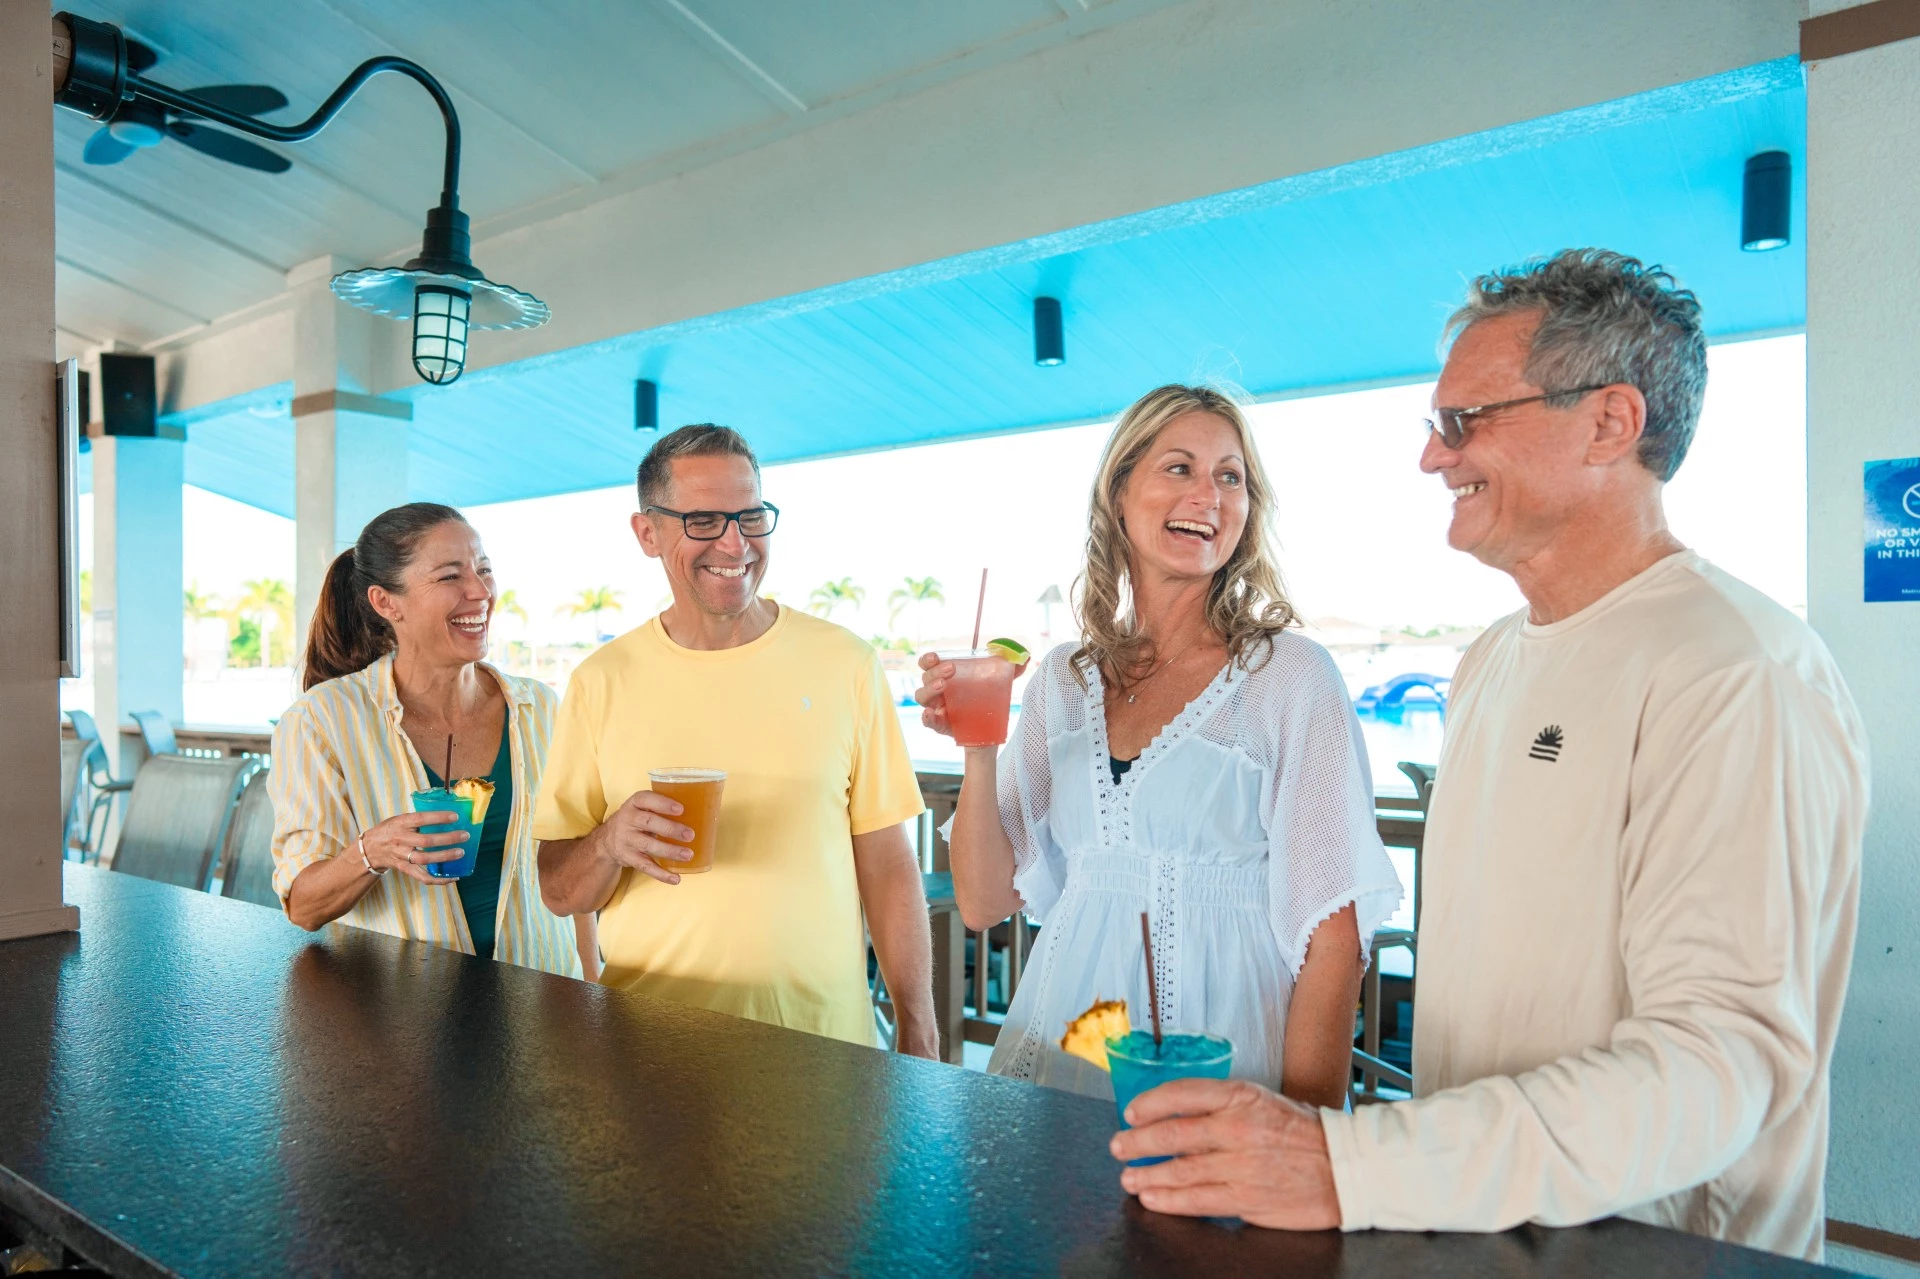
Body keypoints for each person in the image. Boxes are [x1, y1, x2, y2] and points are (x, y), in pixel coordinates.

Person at [1112, 251, 1868, 1263]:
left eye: (1465, 422)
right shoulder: (1491, 663)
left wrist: (1349, 1164)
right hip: (1479, 1231)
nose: (1434, 457)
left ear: (1609, 422)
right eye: (1434, 424)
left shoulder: (1734, 668)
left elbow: (1720, 1060)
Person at [916, 384, 1403, 1105]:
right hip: (1066, 1040)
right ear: (1119, 494)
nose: (1208, 494)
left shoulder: (1288, 677)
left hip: (1226, 1053)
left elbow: (1333, 939)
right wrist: (978, 745)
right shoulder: (1062, 679)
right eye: (1179, 467)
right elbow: (986, 900)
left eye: (1230, 476)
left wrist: (1309, 1133)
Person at [534, 424, 937, 1056]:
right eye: (703, 521)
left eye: (750, 516)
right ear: (647, 533)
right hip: (649, 1049)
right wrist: (610, 841)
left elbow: (887, 865)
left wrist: (919, 1027)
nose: (735, 542)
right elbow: (559, 892)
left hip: (825, 1051)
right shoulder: (598, 682)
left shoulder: (846, 664)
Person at [271, 502, 597, 979]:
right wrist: (372, 852)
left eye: (484, 569)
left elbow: (574, 870)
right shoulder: (321, 721)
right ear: (387, 603)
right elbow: (304, 906)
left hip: (542, 1004)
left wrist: (591, 992)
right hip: (403, 1019)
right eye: (450, 577)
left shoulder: (540, 707)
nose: (480, 591)